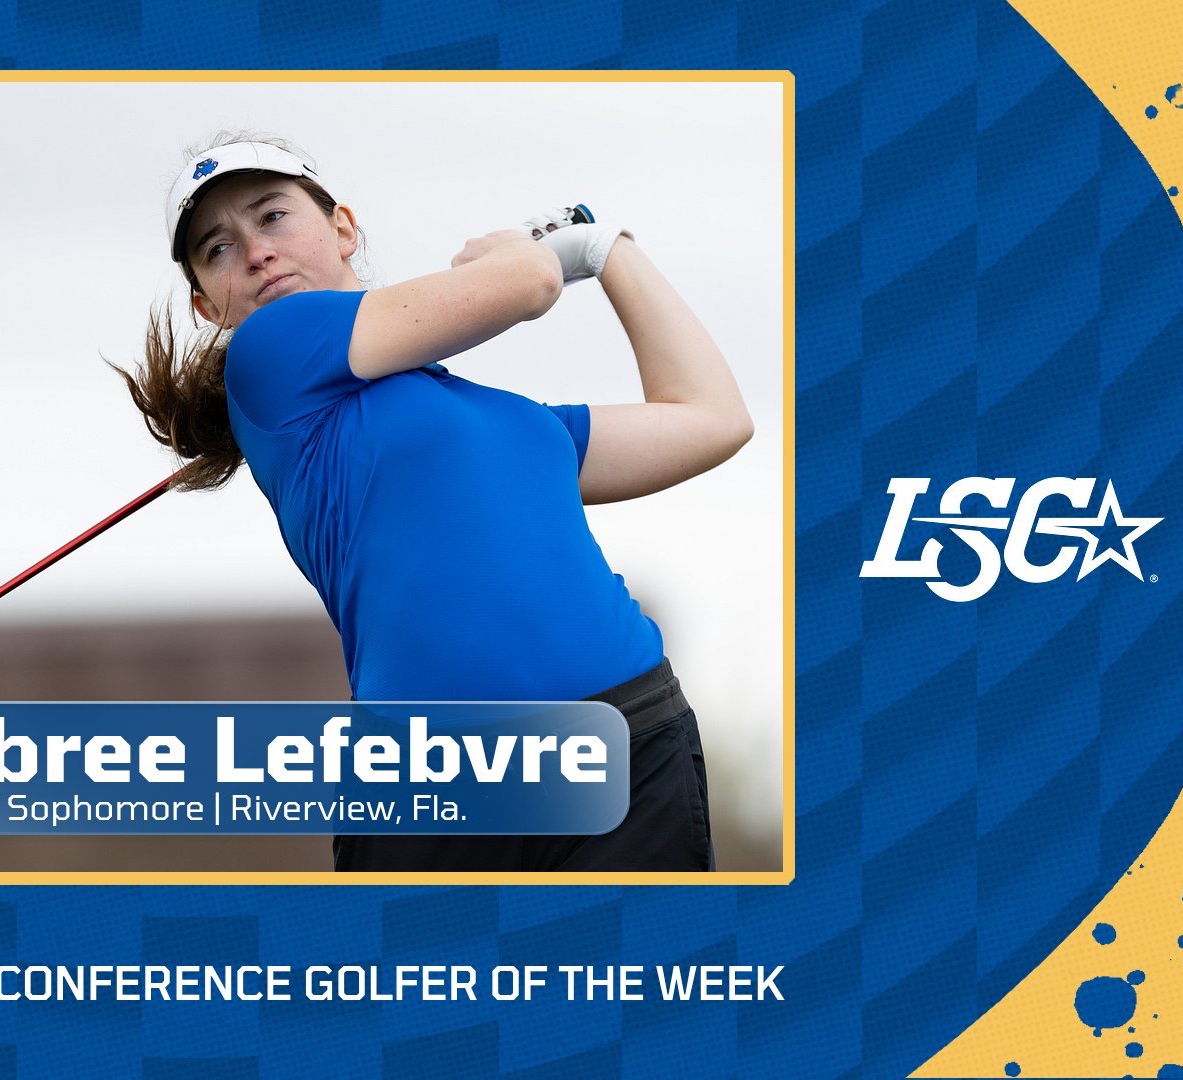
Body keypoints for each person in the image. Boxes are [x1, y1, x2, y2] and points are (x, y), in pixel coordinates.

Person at [116, 133, 752, 872]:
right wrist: (523, 248)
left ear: (344, 227)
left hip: (625, 743)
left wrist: (612, 251)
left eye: (273, 216)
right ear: (205, 304)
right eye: (218, 249)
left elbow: (712, 419)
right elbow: (528, 286)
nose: (255, 251)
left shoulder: (514, 419)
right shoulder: (270, 353)